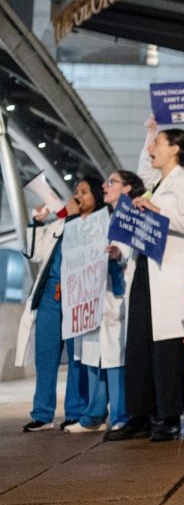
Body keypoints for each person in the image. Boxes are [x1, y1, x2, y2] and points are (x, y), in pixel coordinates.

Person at [114, 128, 184, 442]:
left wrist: (157, 210)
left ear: (175, 149)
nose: (151, 147)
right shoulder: (154, 184)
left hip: (170, 273)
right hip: (143, 269)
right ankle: (139, 415)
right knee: (139, 342)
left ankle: (168, 417)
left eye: (158, 143)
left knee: (166, 348)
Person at [17, 178, 100, 431]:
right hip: (50, 300)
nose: (77, 197)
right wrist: (36, 222)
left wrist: (74, 218)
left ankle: (75, 411)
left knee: (77, 358)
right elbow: (32, 252)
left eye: (84, 193)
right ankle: (42, 414)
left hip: (78, 299)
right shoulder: (59, 225)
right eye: (76, 192)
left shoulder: (96, 224)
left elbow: (81, 252)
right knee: (46, 356)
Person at [71, 172, 146, 435]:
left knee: (116, 357)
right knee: (96, 355)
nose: (105, 186)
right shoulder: (105, 218)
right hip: (97, 296)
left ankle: (121, 416)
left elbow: (129, 247)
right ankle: (94, 414)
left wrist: (118, 253)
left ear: (126, 189)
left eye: (111, 182)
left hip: (119, 294)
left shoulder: (131, 214)